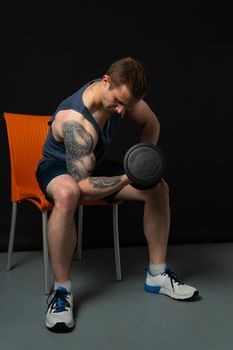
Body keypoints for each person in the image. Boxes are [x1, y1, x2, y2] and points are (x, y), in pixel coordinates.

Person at [36, 56, 199, 332]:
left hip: (95, 166)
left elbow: (151, 123)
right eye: (119, 102)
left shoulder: (122, 98)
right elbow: (84, 189)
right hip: (58, 169)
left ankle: (157, 275)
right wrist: (128, 176)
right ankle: (61, 291)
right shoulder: (76, 123)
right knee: (67, 194)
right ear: (106, 80)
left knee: (157, 188)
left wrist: (143, 161)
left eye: (129, 105)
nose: (122, 111)